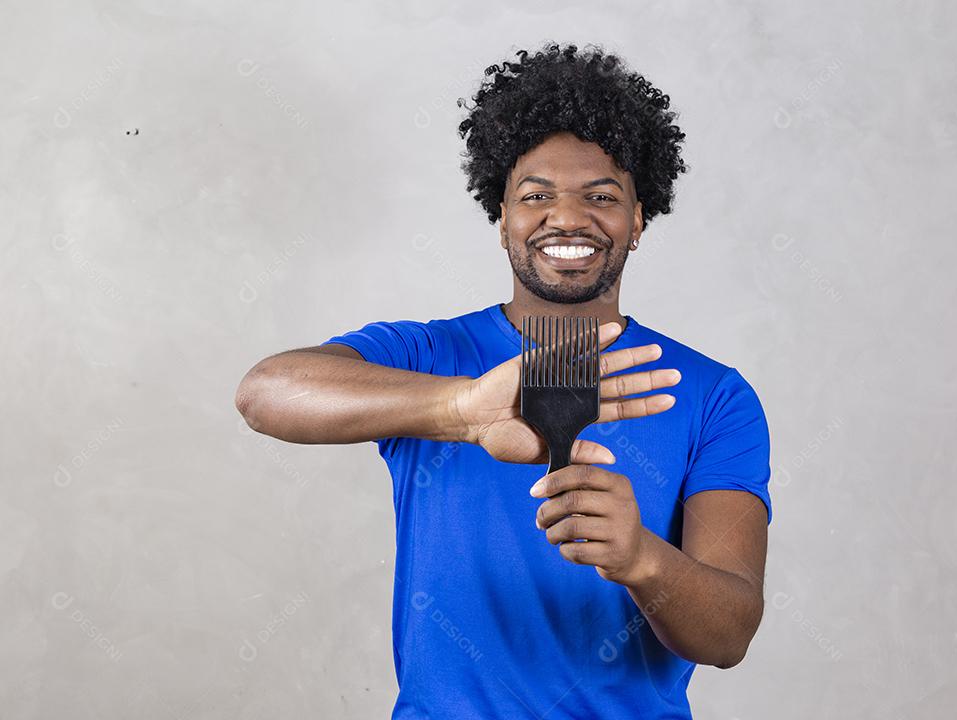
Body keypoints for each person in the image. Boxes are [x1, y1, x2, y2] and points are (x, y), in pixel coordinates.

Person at [235, 41, 772, 720]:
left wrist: (642, 559)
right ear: (503, 220)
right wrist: (458, 409)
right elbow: (265, 392)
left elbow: (728, 634)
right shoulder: (426, 354)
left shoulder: (714, 396)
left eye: (601, 196)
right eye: (536, 196)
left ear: (638, 220)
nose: (568, 218)